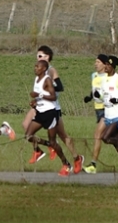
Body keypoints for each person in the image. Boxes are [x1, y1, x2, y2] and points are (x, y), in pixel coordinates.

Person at [21, 45, 84, 173]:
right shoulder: (39, 74)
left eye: (40, 56)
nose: (37, 59)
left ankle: (75, 158)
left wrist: (45, 90)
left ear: (47, 57)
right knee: (26, 127)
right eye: (37, 56)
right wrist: (36, 101)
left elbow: (59, 88)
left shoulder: (51, 71)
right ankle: (41, 149)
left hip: (52, 108)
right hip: (41, 107)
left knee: (62, 136)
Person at [25, 59, 74, 176]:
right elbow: (40, 97)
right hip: (40, 112)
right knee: (28, 136)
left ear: (44, 69)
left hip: (50, 113)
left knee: (53, 141)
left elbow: (53, 97)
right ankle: (47, 145)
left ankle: (66, 164)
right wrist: (35, 102)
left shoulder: (47, 80)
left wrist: (39, 95)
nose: (35, 68)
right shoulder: (36, 79)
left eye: (37, 66)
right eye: (35, 66)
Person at [82, 54, 108, 174]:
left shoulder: (109, 77)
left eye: (98, 62)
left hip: (107, 109)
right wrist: (90, 96)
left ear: (104, 64)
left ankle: (93, 165)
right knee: (108, 138)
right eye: (95, 62)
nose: (95, 64)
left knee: (97, 135)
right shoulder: (94, 75)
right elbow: (95, 90)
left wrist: (101, 97)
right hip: (97, 109)